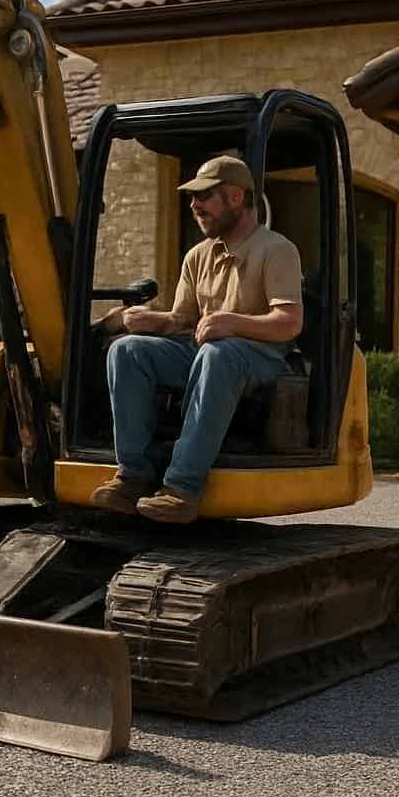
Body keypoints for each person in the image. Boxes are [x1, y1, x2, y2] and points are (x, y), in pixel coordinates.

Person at [90, 155, 303, 524]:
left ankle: (182, 488)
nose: (193, 205)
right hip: (207, 351)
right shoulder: (197, 257)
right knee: (128, 350)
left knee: (217, 354)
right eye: (192, 198)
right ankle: (133, 476)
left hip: (261, 355)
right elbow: (182, 320)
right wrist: (139, 320)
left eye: (203, 196)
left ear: (236, 197)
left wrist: (231, 323)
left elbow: (289, 322)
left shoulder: (276, 249)